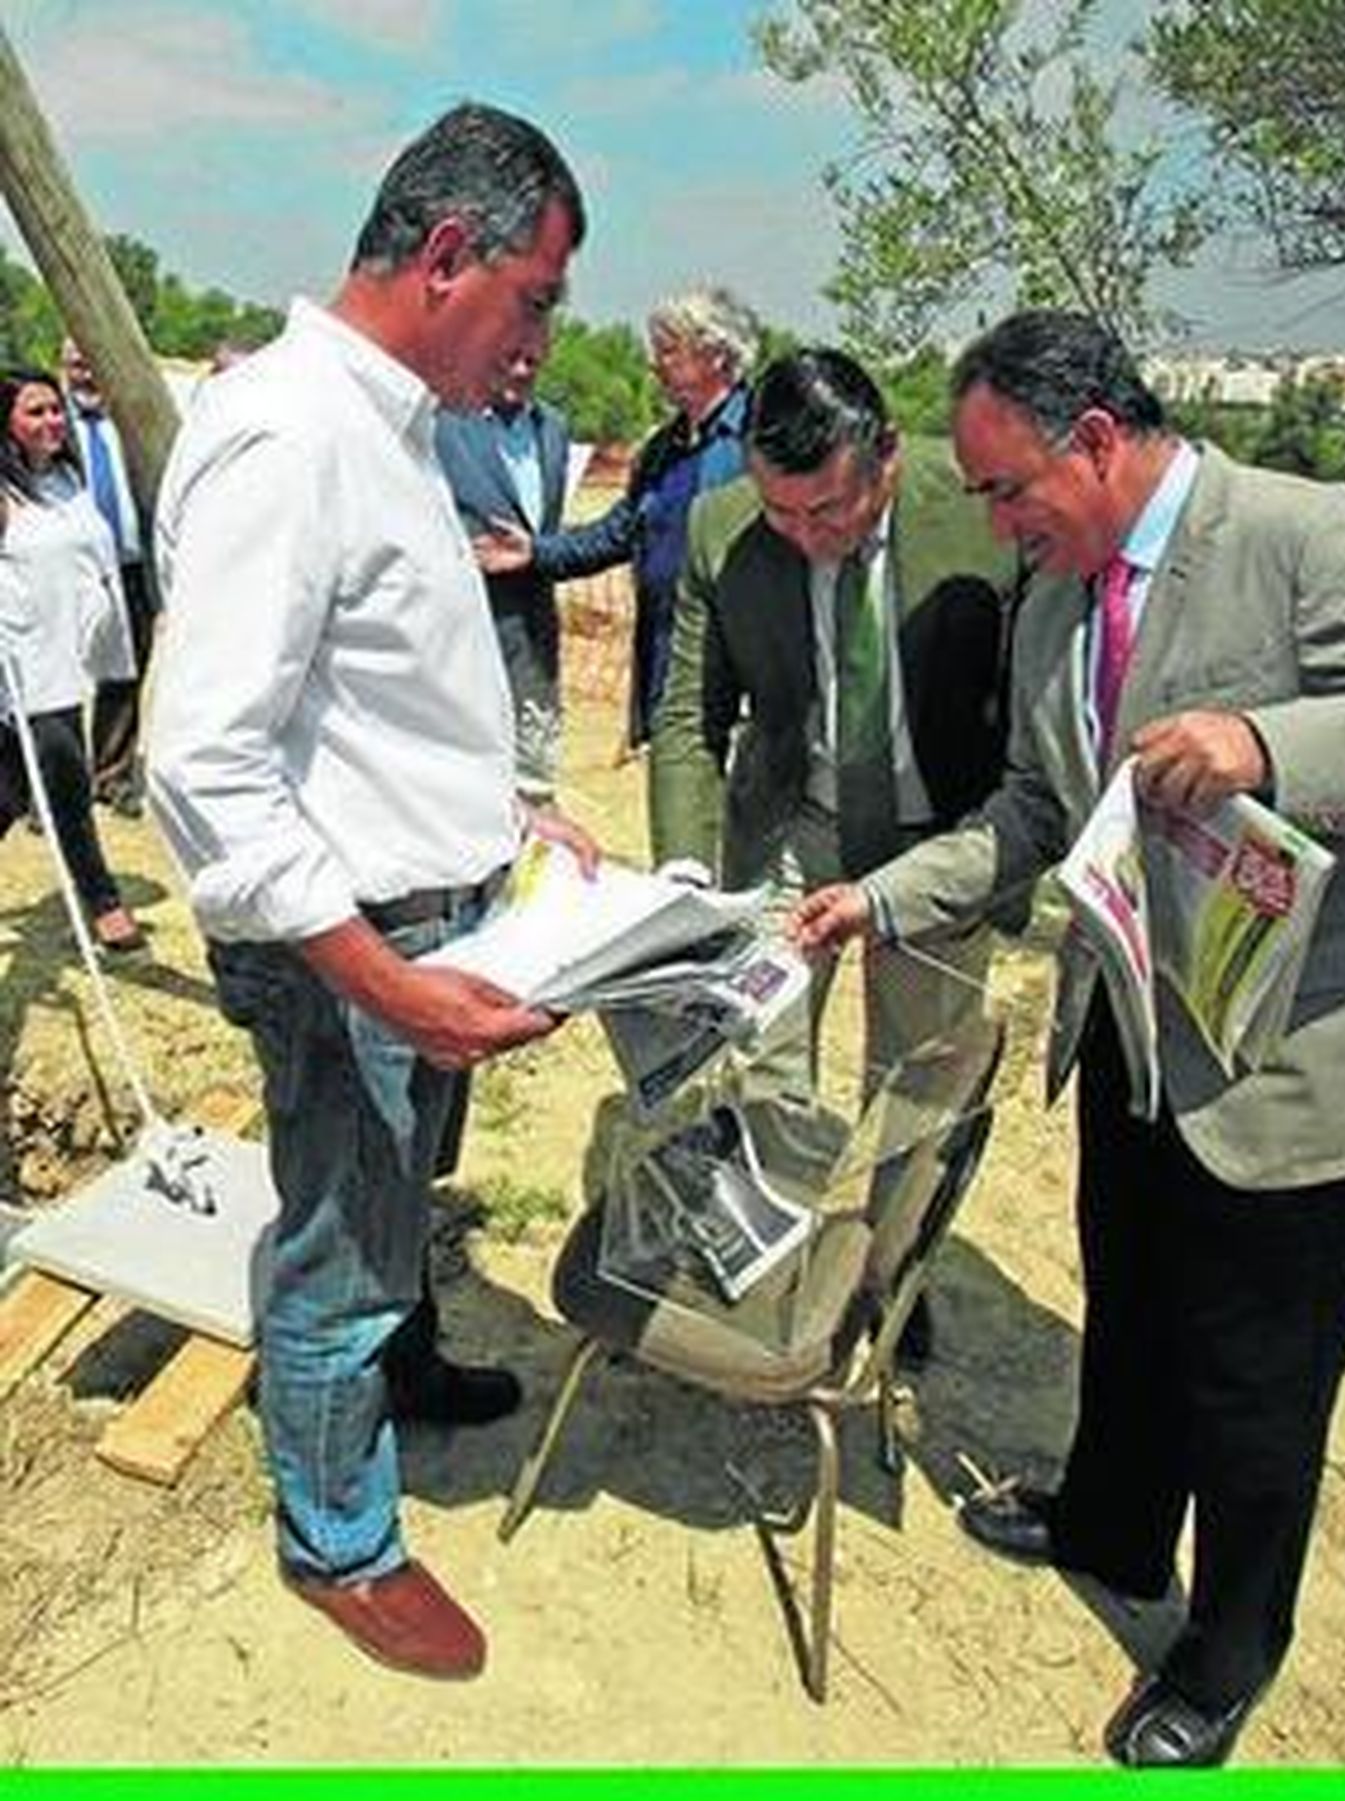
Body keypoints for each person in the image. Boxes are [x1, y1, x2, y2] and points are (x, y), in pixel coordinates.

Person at [791, 310, 1345, 1766]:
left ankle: (1225, 1650)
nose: (997, 524)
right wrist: (878, 900)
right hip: (1138, 1027)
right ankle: (1113, 1522)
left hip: (1295, 1066)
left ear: (1094, 440)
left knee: (1257, 1381)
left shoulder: (1310, 538)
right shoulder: (1056, 601)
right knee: (1134, 1302)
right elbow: (1035, 809)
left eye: (1010, 488)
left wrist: (1271, 748)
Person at [147, 102, 594, 1682]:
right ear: (450, 254)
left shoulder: (389, 425)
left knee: (398, 1200)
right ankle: (338, 1539)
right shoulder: (290, 433)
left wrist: (516, 818)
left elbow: (372, 701)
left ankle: (397, 1373)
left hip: (425, 917)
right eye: (535, 298)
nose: (540, 341)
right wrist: (385, 981)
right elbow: (206, 762)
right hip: (347, 945)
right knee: (340, 1249)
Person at [651, 346, 1015, 1152]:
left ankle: (880, 1237)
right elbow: (687, 714)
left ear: (887, 454)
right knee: (759, 1057)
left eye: (828, 510)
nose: (806, 536)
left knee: (918, 1096)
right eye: (781, 513)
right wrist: (685, 876)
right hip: (792, 828)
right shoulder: (722, 528)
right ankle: (773, 1216)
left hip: (938, 840)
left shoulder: (981, 507)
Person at [526, 284, 760, 830]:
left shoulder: (762, 436)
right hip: (669, 671)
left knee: (744, 832)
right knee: (681, 829)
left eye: (669, 350)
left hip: (744, 676)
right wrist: (534, 553)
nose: (654, 365)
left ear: (716, 354)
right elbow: (618, 532)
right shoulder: (661, 449)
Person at [0, 368, 143, 952]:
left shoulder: (66, 480)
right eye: (35, 412)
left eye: (55, 409)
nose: (52, 421)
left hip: (70, 656)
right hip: (24, 663)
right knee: (64, 771)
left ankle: (102, 900)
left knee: (11, 788)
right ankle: (103, 901)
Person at [435, 349, 574, 806]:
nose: (520, 371)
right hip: (465, 626)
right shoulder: (443, 422)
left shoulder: (554, 428)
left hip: (535, 630)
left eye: (531, 362)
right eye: (510, 358)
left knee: (534, 777)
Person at [60, 337, 154, 816]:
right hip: (69, 572)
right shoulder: (51, 426)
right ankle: (58, 782)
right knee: (61, 676)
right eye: (77, 365)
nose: (87, 374)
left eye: (94, 363)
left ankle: (111, 774)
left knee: (126, 672)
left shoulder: (133, 421)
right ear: (62, 367)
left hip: (132, 571)